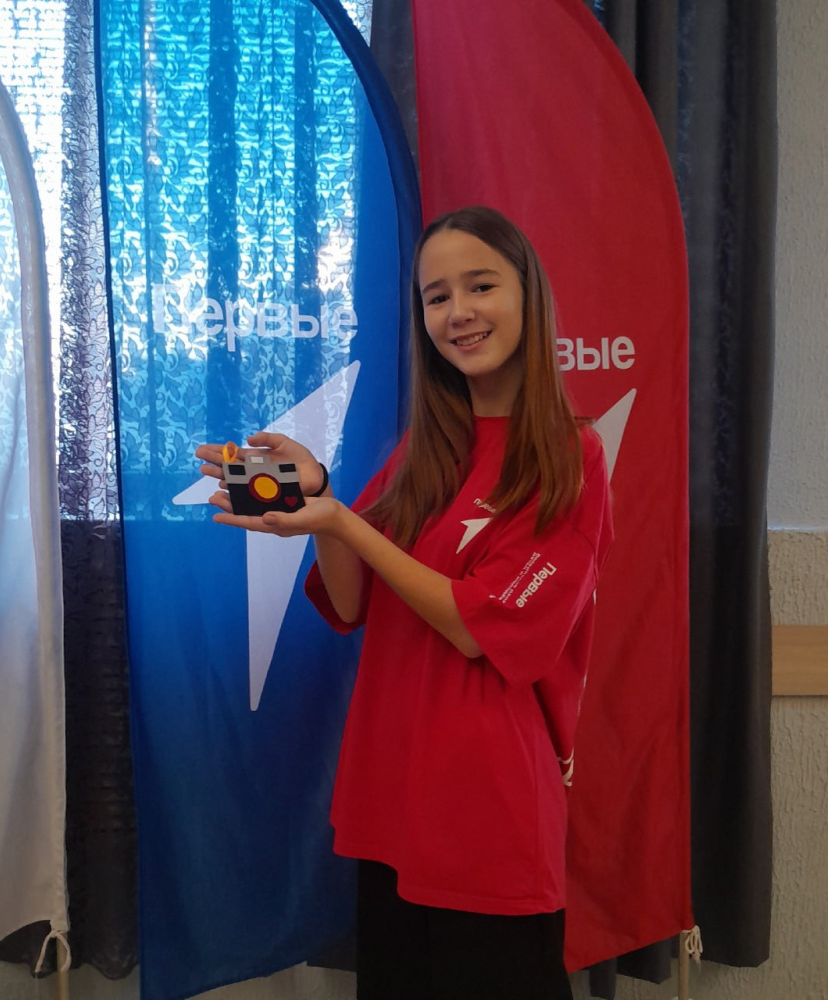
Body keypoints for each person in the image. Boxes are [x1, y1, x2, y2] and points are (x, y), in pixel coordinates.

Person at [195, 205, 613, 1000]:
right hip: (393, 802)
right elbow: (352, 600)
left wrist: (340, 518)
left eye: (480, 286)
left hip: (486, 814)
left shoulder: (570, 455)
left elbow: (477, 625)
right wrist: (315, 501)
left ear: (528, 294)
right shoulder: (426, 451)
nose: (458, 313)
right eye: (436, 297)